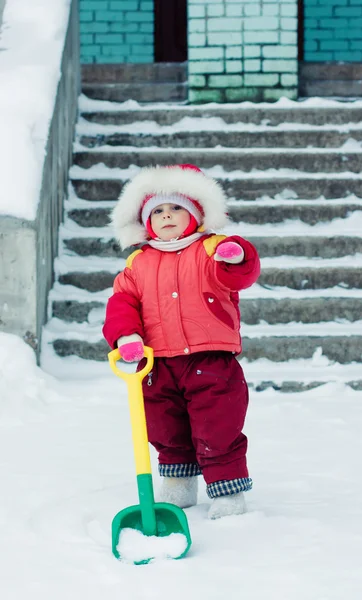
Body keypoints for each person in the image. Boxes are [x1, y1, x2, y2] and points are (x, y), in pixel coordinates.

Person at [103, 164, 261, 519]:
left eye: (176, 208)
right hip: (158, 364)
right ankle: (179, 484)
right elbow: (122, 303)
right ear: (146, 222)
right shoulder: (138, 263)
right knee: (164, 426)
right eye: (157, 211)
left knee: (217, 426)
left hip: (211, 360)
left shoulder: (213, 249)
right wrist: (127, 336)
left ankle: (228, 492)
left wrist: (237, 257)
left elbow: (240, 274)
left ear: (196, 214)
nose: (167, 216)